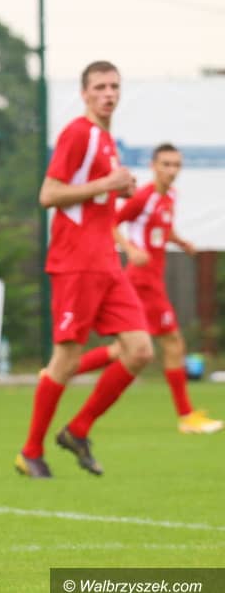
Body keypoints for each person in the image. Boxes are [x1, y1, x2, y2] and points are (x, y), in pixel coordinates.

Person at [15, 61, 154, 479]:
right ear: (84, 93)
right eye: (100, 87)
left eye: (114, 86)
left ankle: (78, 430)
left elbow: (93, 200)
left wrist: (118, 191)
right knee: (67, 358)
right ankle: (30, 451)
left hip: (106, 264)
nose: (108, 93)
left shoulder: (106, 140)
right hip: (75, 263)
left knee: (140, 350)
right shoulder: (78, 132)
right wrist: (106, 185)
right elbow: (49, 194)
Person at [72, 144, 222, 434]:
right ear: (153, 166)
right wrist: (130, 249)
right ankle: (186, 416)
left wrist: (181, 242)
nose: (171, 170)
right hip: (142, 282)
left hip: (151, 281)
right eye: (166, 164)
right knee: (173, 343)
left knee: (124, 348)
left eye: (176, 165)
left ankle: (58, 372)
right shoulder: (144, 196)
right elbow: (111, 223)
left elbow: (163, 229)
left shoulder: (170, 197)